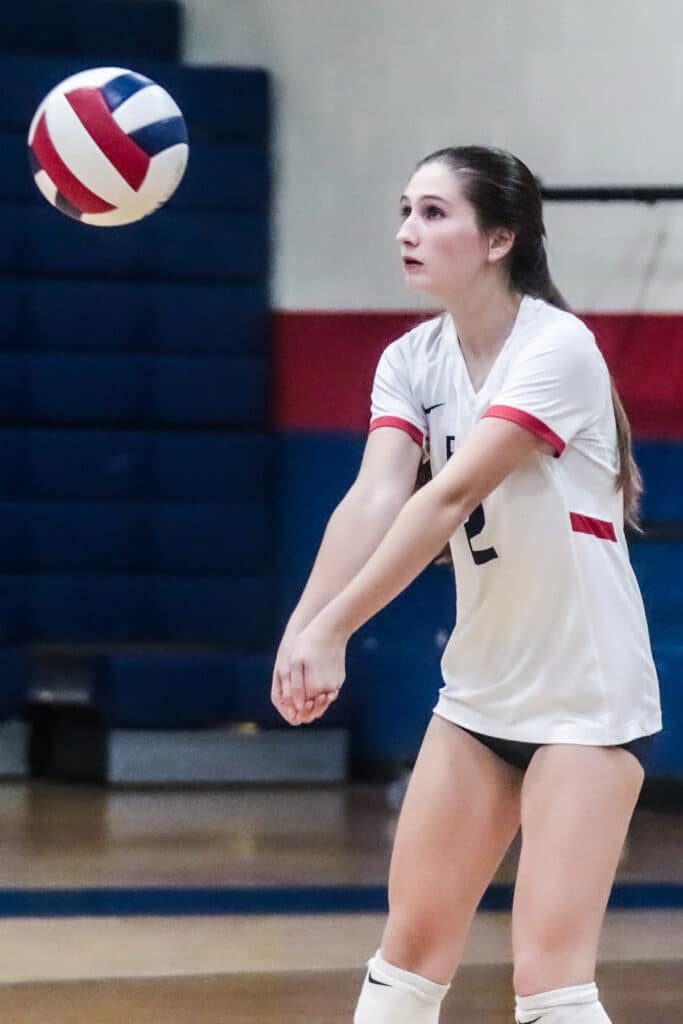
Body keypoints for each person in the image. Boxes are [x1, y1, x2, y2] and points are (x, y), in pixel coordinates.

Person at [271, 146, 662, 1024]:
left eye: (435, 213)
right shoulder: (412, 358)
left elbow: (446, 497)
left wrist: (338, 626)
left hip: (585, 699)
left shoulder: (556, 348)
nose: (408, 232)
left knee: (549, 981)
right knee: (405, 957)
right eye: (405, 211)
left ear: (499, 239)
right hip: (481, 692)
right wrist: (305, 629)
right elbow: (375, 495)